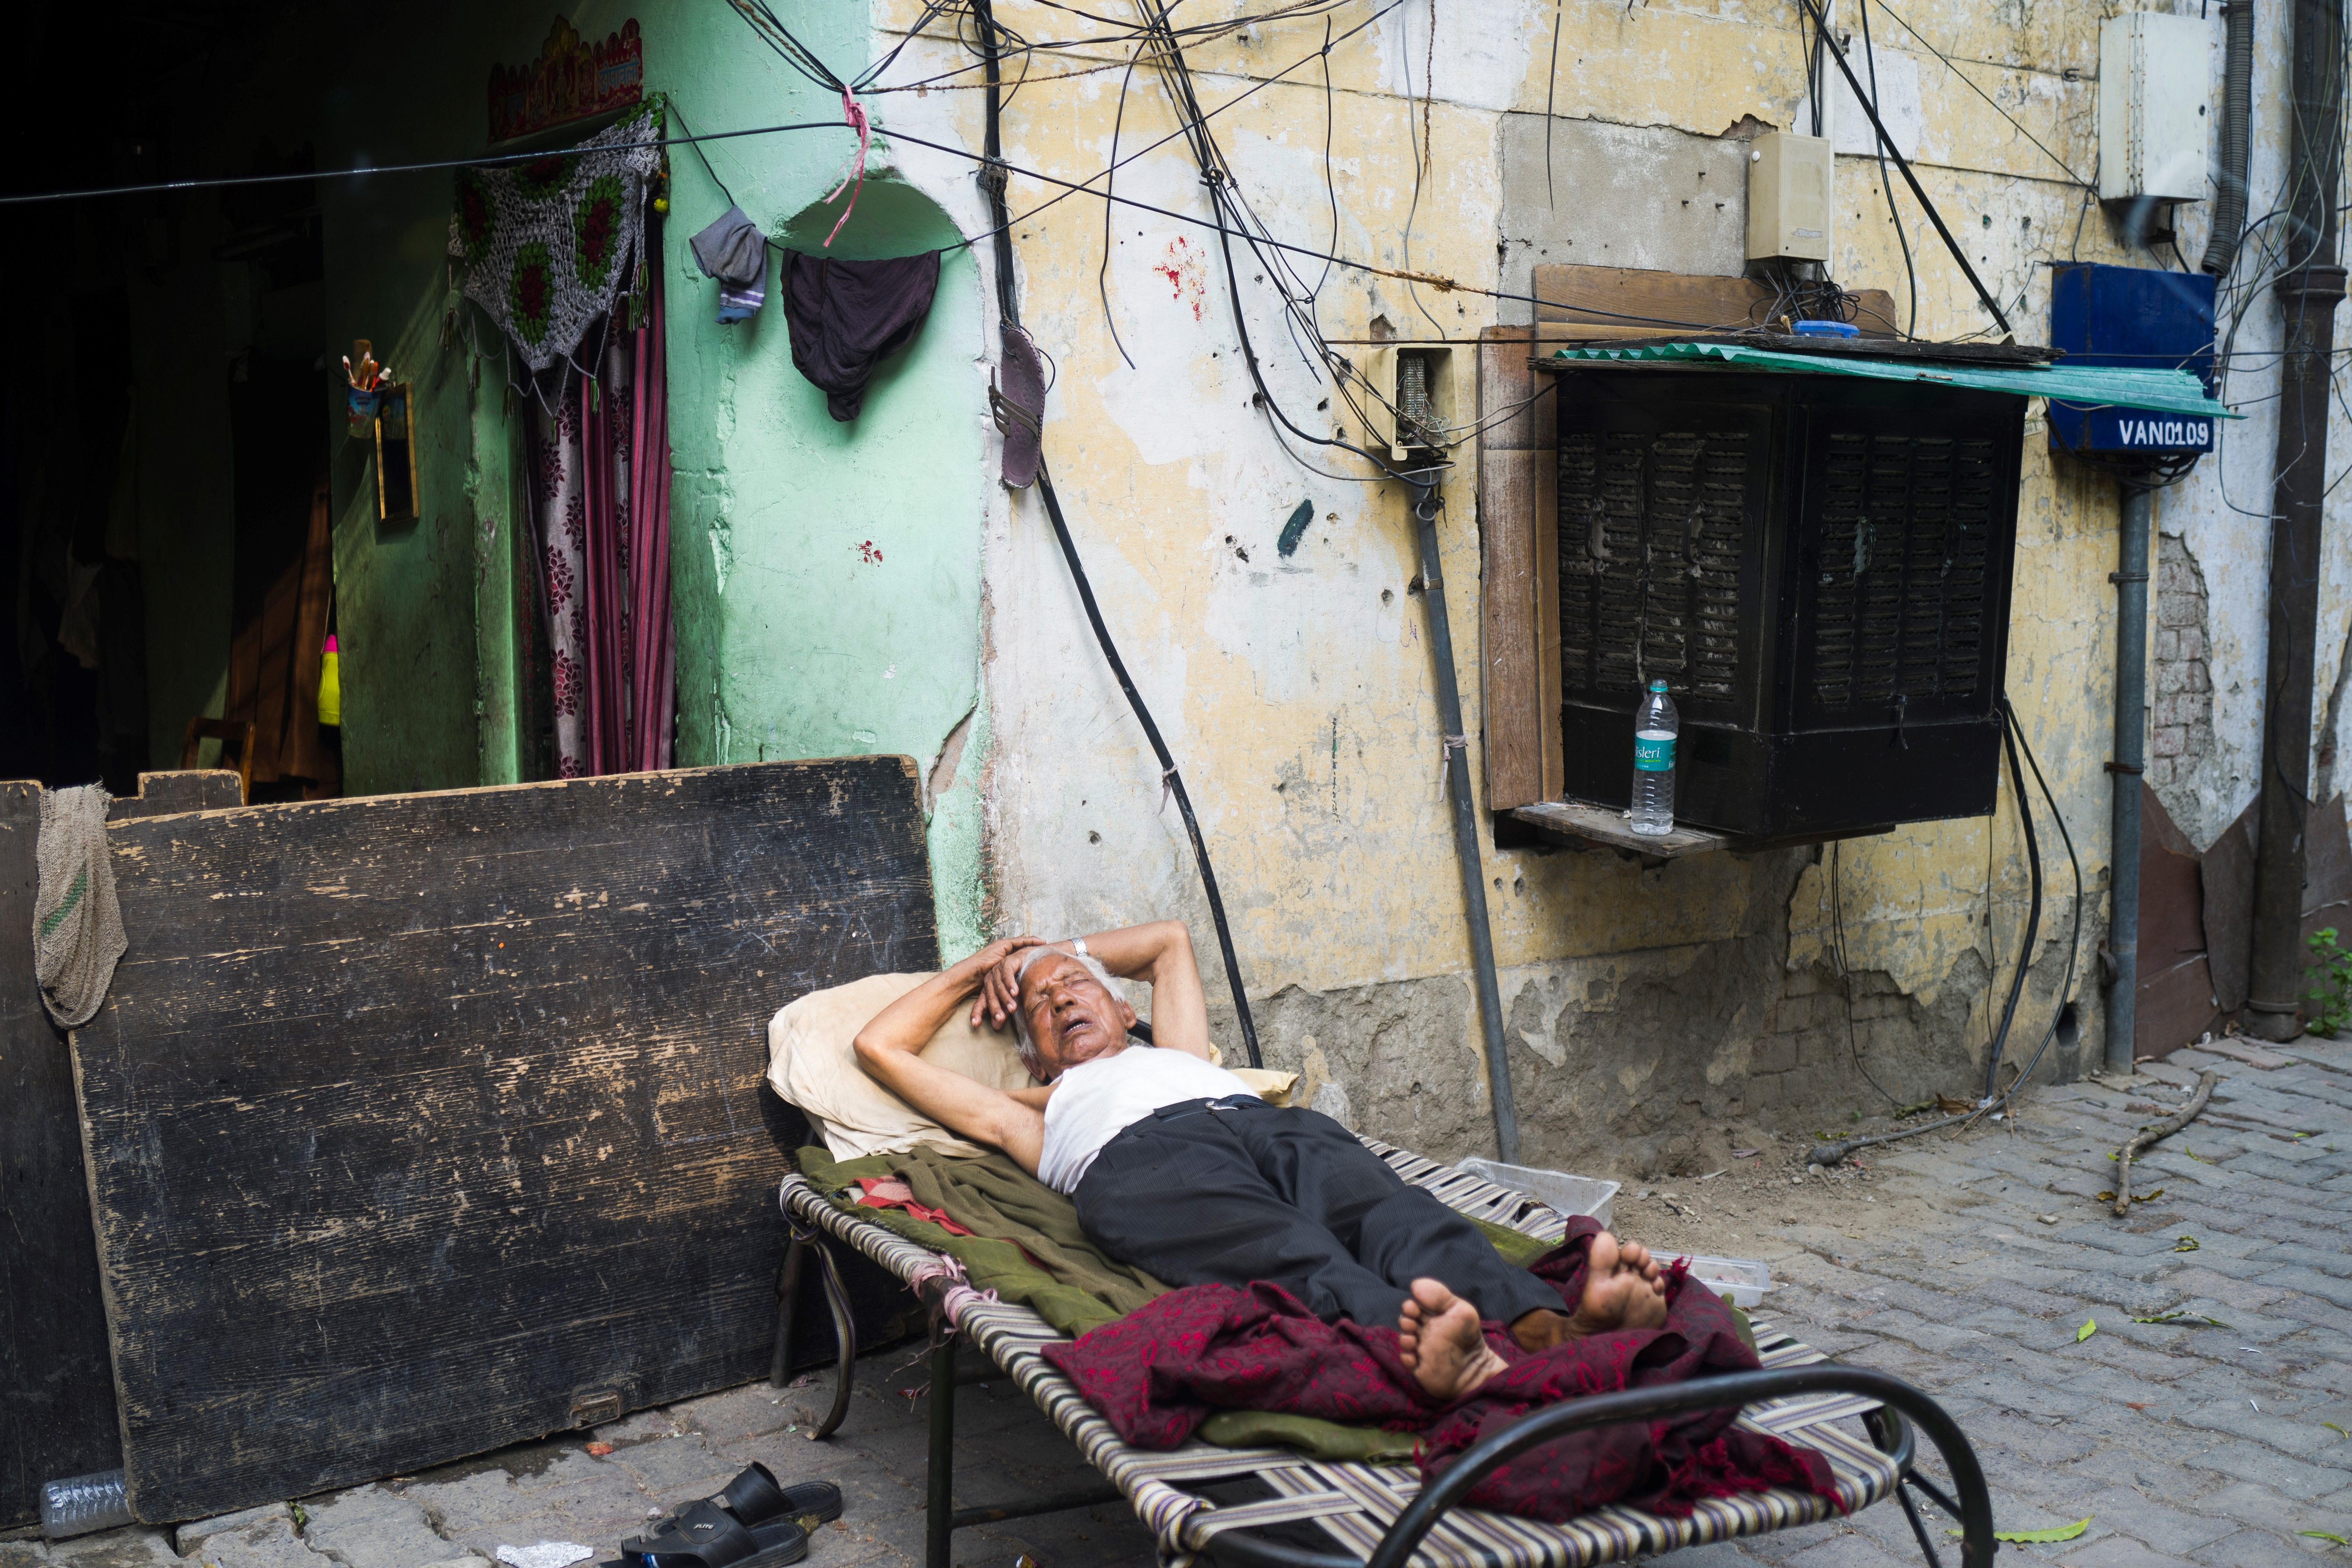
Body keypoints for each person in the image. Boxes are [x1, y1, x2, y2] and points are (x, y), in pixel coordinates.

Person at [852, 920, 1669, 1401]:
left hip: (1257, 1123)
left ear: (1122, 1008)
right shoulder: (1031, 1113)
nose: (1062, 997)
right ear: (1030, 1057)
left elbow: (1169, 941)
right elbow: (877, 1045)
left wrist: (1047, 948)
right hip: (1142, 1165)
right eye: (1040, 1004)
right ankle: (1444, 1358)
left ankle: (1546, 1325)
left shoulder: (1178, 1051)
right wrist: (987, 962)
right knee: (1291, 1251)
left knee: (1393, 1214)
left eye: (1078, 986)